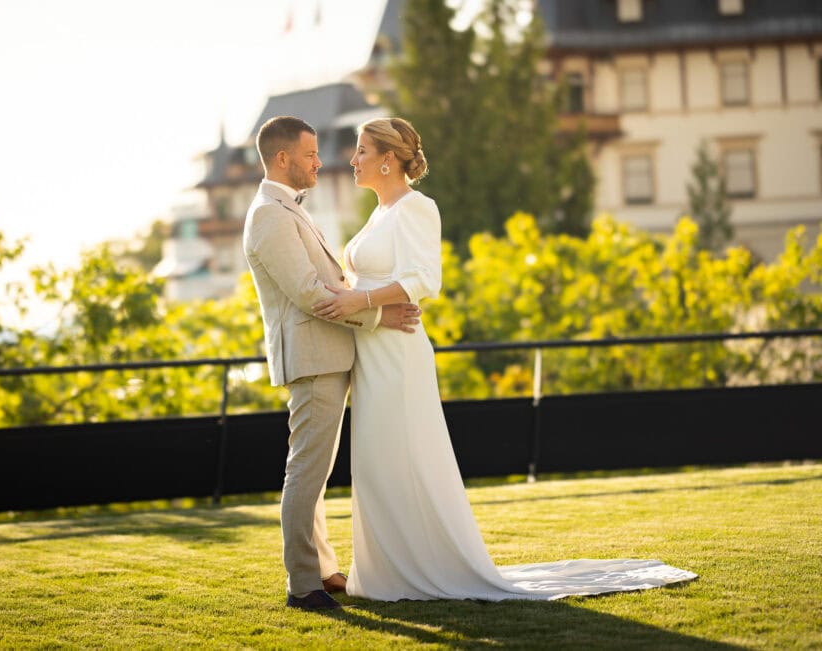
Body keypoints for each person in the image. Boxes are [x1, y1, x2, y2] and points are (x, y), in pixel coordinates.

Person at [312, 117, 698, 601]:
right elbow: (367, 283)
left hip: (398, 355)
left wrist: (360, 302)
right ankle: (386, 569)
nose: (353, 160)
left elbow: (424, 279)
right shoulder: (379, 213)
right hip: (371, 353)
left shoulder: (416, 208)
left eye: (362, 151)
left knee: (402, 456)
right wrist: (347, 297)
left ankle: (417, 570)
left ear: (389, 159)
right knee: (376, 463)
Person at [242, 116, 422, 610]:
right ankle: (303, 585)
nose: (320, 162)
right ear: (283, 159)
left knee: (314, 474)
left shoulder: (288, 210)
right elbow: (308, 294)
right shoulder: (269, 215)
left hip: (327, 354)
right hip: (313, 358)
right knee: (305, 472)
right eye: (310, 155)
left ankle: (321, 570)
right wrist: (378, 316)